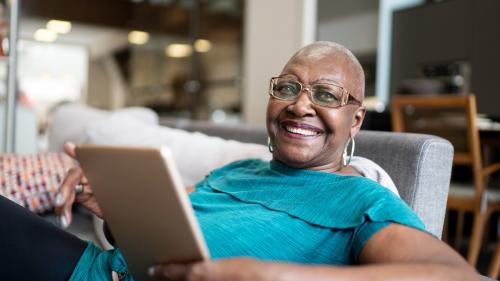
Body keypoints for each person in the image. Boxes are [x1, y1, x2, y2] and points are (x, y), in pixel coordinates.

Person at [0, 41, 480, 281]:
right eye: (288, 88)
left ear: (355, 120)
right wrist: (115, 205)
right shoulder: (237, 172)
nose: (300, 105)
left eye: (326, 95)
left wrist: (269, 274)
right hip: (95, 269)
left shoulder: (363, 201)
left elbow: (456, 277)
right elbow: (169, 242)